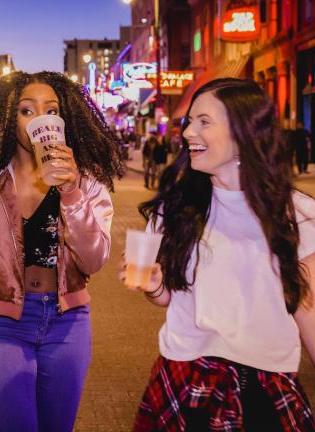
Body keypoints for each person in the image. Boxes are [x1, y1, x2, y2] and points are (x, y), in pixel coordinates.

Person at [119, 78, 315, 431]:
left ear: (243, 133)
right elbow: (169, 298)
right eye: (189, 121)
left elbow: (308, 312)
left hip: (266, 388)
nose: (189, 132)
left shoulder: (297, 216)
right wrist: (154, 286)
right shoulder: (175, 209)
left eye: (204, 122)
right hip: (184, 378)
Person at [0, 71, 125, 432]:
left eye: (51, 110)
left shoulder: (86, 179)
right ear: (7, 118)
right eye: (27, 110)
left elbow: (94, 260)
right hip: (6, 326)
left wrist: (72, 192)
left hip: (68, 324)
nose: (40, 119)